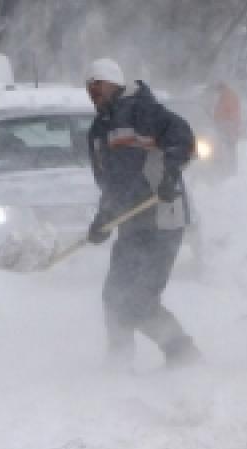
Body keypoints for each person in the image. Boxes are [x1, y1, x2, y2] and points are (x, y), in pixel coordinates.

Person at [84, 58, 202, 369]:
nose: (93, 92)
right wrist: (103, 220)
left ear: (115, 84)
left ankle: (183, 355)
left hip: (164, 218)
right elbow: (111, 183)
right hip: (132, 223)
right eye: (89, 88)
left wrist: (169, 174)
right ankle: (119, 361)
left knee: (139, 300)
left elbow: (183, 138)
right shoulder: (99, 130)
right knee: (114, 295)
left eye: (98, 85)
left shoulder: (143, 111)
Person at [210, 80, 241, 174]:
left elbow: (230, 112)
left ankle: (231, 169)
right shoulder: (225, 96)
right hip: (226, 126)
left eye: (218, 90)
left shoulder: (228, 96)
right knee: (227, 148)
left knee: (229, 149)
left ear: (221, 88)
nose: (217, 92)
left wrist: (227, 124)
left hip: (228, 127)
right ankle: (229, 168)